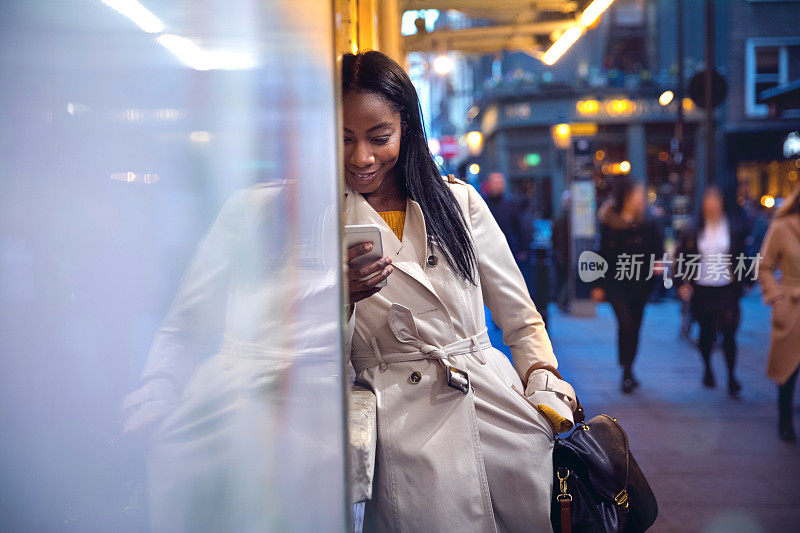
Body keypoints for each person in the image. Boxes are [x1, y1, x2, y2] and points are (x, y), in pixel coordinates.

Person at [341, 51, 578, 531]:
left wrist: (545, 392)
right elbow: (301, 352)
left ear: (405, 127)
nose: (361, 157)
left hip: (495, 412)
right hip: (401, 436)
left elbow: (521, 317)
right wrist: (341, 298)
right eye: (344, 139)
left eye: (378, 137)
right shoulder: (320, 221)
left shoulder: (460, 203)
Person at [591, 176, 663, 394]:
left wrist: (658, 267)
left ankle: (630, 368)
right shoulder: (610, 222)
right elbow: (601, 254)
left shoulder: (649, 222)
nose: (640, 197)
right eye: (637, 193)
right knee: (626, 323)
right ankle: (626, 371)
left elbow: (657, 251)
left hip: (641, 283)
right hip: (616, 283)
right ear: (626, 196)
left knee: (636, 325)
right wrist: (597, 285)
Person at [675, 187, 749, 398]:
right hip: (702, 287)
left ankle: (732, 376)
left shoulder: (733, 226)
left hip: (727, 286)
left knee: (729, 331)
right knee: (706, 333)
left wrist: (747, 278)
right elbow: (681, 255)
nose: (713, 204)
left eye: (716, 200)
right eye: (709, 200)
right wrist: (682, 282)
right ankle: (707, 367)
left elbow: (743, 253)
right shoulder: (694, 228)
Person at [759, 185, 800, 442]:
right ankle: (785, 418)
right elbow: (764, 266)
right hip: (792, 305)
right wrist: (776, 297)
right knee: (789, 368)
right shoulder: (783, 226)